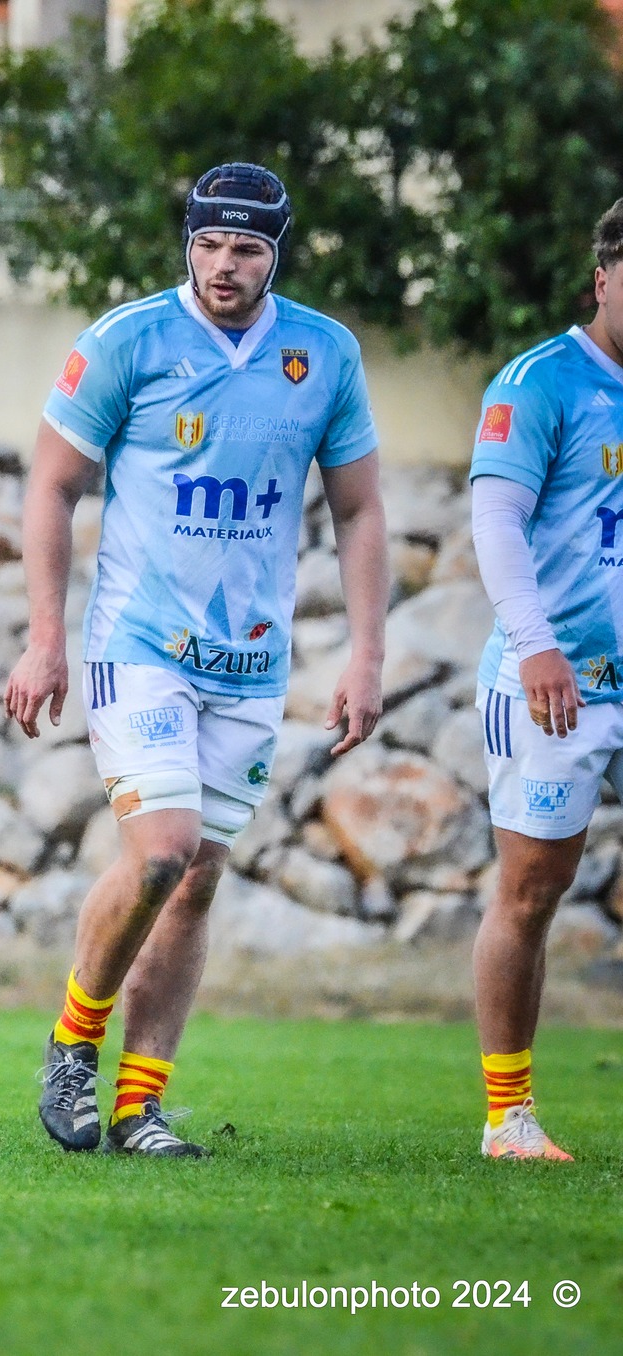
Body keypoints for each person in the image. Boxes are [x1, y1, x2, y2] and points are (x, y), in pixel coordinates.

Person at [6, 163, 389, 1157]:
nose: (224, 265)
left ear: (276, 250)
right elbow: (49, 487)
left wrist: (364, 658)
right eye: (210, 244)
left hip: (250, 665)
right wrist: (44, 638)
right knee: (162, 849)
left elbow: (356, 511)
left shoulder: (323, 354)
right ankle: (69, 1046)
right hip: (137, 646)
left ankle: (138, 1105)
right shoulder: (125, 340)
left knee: (199, 875)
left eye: (246, 248)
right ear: (187, 241)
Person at [462, 201, 623, 1162]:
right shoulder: (541, 384)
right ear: (602, 276)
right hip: (555, 684)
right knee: (532, 889)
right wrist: (536, 647)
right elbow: (495, 525)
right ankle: (507, 1118)